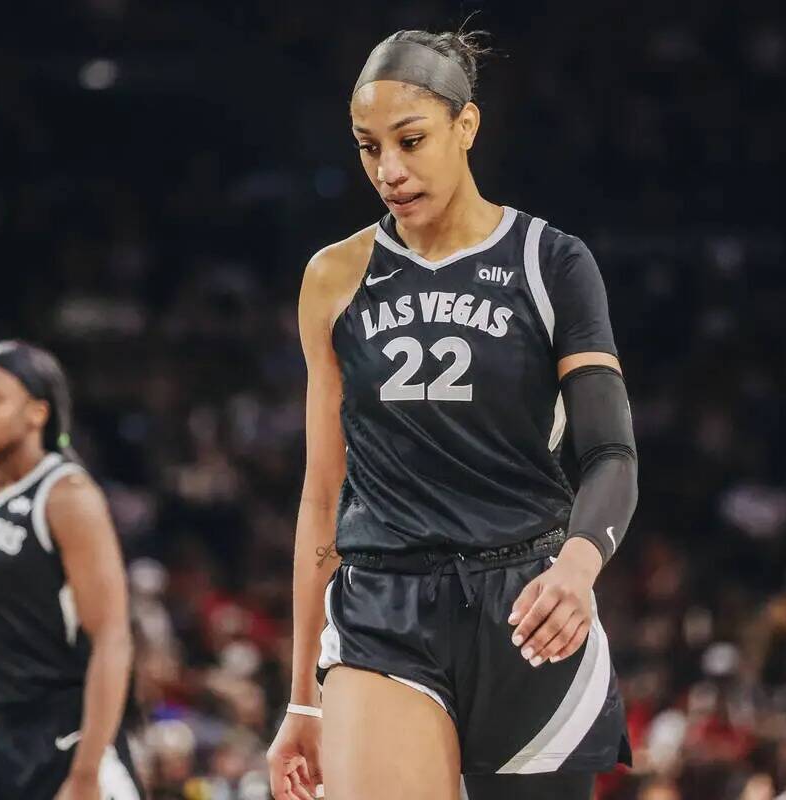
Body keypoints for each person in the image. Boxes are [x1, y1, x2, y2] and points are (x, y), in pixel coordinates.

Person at [267, 27, 638, 800]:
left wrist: (578, 565)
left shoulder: (552, 263)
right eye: (369, 148)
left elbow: (610, 454)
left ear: (466, 126)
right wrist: (303, 692)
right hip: (384, 604)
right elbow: (320, 494)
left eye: (411, 140)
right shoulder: (332, 278)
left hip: (528, 600)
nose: (389, 170)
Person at [0, 341, 142, 800]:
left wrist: (86, 772)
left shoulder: (66, 495)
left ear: (37, 413)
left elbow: (112, 637)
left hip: (57, 736)